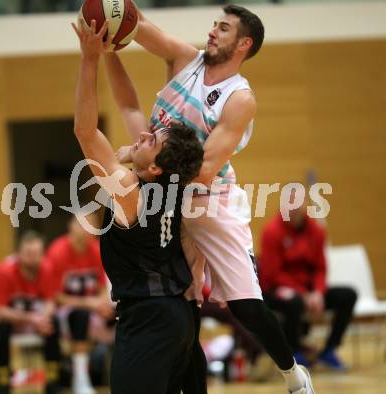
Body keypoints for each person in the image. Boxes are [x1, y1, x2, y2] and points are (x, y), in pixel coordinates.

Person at [104, 4, 315, 394]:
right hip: (167, 195)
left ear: (244, 44)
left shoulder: (239, 98)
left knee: (245, 307)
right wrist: (112, 16)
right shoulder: (185, 59)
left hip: (210, 198)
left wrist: (136, 157)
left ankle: (293, 375)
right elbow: (139, 28)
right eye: (214, 24)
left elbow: (203, 169)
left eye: (223, 28)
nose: (212, 32)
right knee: (182, 303)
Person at [71, 17, 204, 394]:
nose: (144, 133)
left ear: (155, 164)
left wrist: (90, 58)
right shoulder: (173, 180)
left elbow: (85, 132)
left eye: (151, 140)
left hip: (149, 318)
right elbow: (128, 106)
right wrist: (113, 51)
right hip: (178, 316)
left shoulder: (131, 189)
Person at [260, 204, 357, 370]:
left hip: (309, 291)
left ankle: (329, 350)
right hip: (277, 290)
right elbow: (272, 274)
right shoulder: (271, 231)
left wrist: (318, 292)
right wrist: (304, 294)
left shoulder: (316, 231)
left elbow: (320, 267)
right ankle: (294, 352)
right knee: (294, 302)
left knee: (348, 295)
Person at [45, 213, 113, 394]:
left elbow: (102, 287)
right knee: (80, 317)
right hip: (66, 311)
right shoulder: (57, 251)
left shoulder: (97, 249)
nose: (85, 229)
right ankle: (80, 379)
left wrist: (102, 302)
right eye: (82, 224)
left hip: (93, 308)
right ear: (71, 225)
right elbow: (56, 296)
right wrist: (89, 304)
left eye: (91, 225)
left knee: (119, 315)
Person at [0, 231, 61, 394]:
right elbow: (1, 311)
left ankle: (52, 378)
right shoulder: (4, 271)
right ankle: (2, 380)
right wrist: (32, 319)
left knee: (54, 323)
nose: (32, 257)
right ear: (18, 254)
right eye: (28, 253)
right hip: (14, 321)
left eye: (37, 253)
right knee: (1, 328)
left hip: (37, 320)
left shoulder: (47, 268)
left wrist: (44, 318)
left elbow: (51, 301)